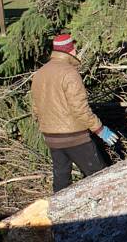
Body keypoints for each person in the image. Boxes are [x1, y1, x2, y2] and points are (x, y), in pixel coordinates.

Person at [31, 34, 119, 192]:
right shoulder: (70, 73)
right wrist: (99, 129)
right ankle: (107, 213)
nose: (77, 51)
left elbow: (36, 108)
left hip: (51, 137)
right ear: (70, 50)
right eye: (75, 47)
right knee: (100, 177)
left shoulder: (40, 73)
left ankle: (59, 213)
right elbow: (80, 109)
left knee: (62, 179)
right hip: (74, 137)